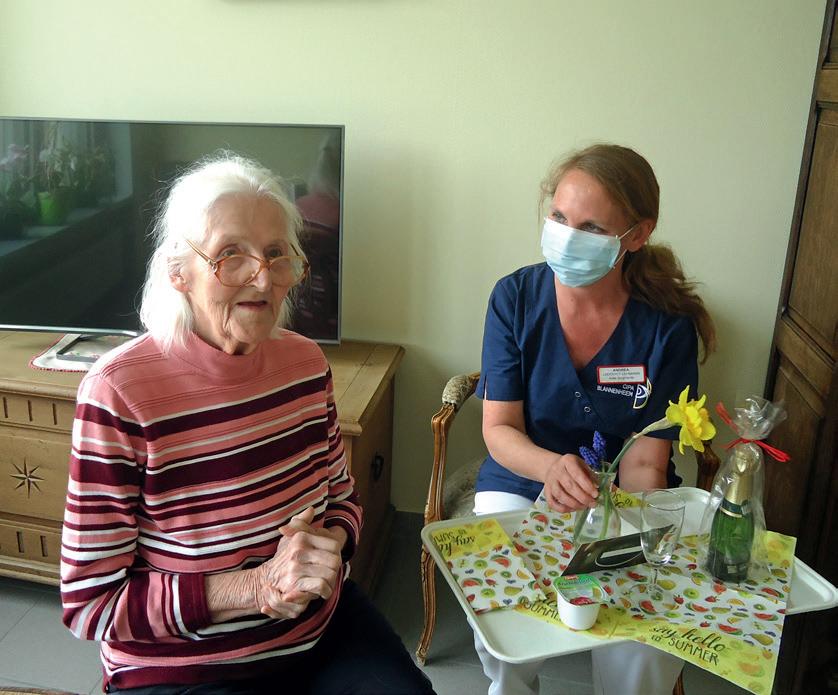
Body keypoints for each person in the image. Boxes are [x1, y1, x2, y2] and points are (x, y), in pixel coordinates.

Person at [60, 153, 435, 695]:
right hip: (185, 665)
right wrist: (254, 586)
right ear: (177, 272)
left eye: (276, 253)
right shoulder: (119, 392)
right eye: (230, 254)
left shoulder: (306, 365)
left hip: (318, 632)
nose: (261, 276)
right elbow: (91, 603)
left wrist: (325, 547)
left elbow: (343, 498)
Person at [474, 143, 716, 695]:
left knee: (639, 631)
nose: (566, 236)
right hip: (523, 476)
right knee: (506, 614)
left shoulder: (666, 327)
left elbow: (646, 462)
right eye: (559, 217)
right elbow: (499, 429)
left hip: (628, 492)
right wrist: (550, 469)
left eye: (589, 227)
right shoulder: (515, 298)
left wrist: (612, 528)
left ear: (636, 235)